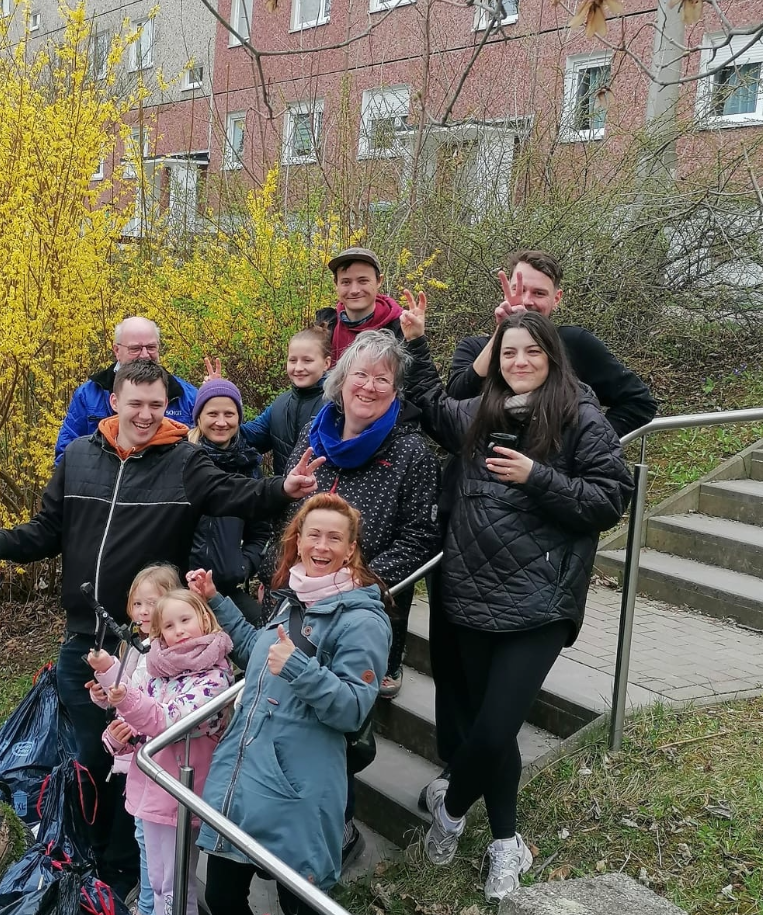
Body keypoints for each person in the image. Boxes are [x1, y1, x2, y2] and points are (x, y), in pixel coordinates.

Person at [0, 359, 324, 898]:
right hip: (85, 638)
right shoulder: (79, 456)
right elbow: (47, 529)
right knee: (93, 754)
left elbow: (236, 494)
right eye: (135, 403)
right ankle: (88, 859)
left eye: (156, 405)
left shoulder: (184, 460)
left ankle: (122, 871)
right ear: (114, 401)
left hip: (147, 643)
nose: (145, 414)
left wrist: (283, 489)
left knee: (136, 755)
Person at [404, 306, 633, 901]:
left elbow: (609, 499)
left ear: (552, 355)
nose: (519, 362)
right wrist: (418, 343)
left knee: (495, 728)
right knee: (490, 730)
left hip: (541, 598)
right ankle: (507, 843)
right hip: (471, 592)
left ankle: (451, 810)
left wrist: (537, 476)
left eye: (531, 351)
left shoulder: (580, 417)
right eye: (509, 352)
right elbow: (430, 405)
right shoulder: (480, 412)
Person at [189, 493, 392, 915]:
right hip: (247, 771)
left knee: (300, 900)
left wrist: (300, 667)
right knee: (223, 892)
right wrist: (218, 601)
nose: (321, 546)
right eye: (312, 535)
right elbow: (259, 652)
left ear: (351, 549)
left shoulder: (362, 620)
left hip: (300, 786)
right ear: (297, 542)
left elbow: (353, 708)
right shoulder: (294, 598)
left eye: (333, 538)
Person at [280, 329, 441, 700]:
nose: (369, 387)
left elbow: (421, 538)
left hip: (361, 608)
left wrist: (355, 581)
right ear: (341, 381)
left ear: (396, 390)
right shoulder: (312, 434)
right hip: (294, 595)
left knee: (340, 703)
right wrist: (270, 570)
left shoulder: (412, 454)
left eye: (382, 379)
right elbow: (288, 512)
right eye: (361, 375)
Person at [105, 589, 234, 915]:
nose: (179, 631)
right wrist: (117, 737)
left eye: (185, 620)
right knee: (160, 883)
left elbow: (167, 721)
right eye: (169, 626)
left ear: (205, 619)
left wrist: (122, 695)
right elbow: (138, 725)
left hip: (180, 791)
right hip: (152, 787)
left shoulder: (214, 676)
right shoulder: (159, 671)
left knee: (177, 888)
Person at [446, 249, 657, 437]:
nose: (526, 300)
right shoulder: (474, 348)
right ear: (506, 290)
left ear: (556, 299)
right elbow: (453, 404)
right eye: (519, 289)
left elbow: (639, 402)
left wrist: (585, 446)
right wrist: (501, 333)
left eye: (539, 293)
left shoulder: (575, 344)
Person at [87, 561, 180, 915]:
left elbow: (147, 704)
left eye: (152, 603)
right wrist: (101, 695)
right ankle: (144, 908)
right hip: (133, 760)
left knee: (149, 841)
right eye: (138, 603)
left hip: (155, 760)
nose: (143, 611)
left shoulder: (164, 653)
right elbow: (121, 696)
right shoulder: (131, 647)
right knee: (141, 836)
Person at [187, 378, 272, 625]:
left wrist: (242, 566)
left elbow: (260, 532)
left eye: (229, 414)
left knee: (264, 633)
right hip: (178, 589)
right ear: (199, 417)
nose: (221, 422)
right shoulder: (180, 459)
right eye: (212, 414)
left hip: (225, 589)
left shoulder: (248, 466)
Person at [54, 316, 197, 460]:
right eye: (135, 349)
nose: (145, 355)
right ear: (117, 350)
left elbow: (203, 451)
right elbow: (66, 455)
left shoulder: (188, 396)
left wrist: (211, 398)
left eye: (151, 347)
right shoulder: (88, 395)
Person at [239, 326, 332, 473]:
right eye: (293, 360)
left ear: (326, 363)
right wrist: (218, 399)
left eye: (307, 360)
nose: (298, 368)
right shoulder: (280, 404)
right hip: (284, 487)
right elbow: (248, 437)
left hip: (322, 488)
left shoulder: (336, 405)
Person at [318, 247, 407, 363]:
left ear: (379, 281)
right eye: (346, 282)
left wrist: (417, 341)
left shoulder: (402, 328)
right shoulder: (325, 327)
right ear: (336, 284)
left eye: (363, 281)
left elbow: (421, 373)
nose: (354, 290)